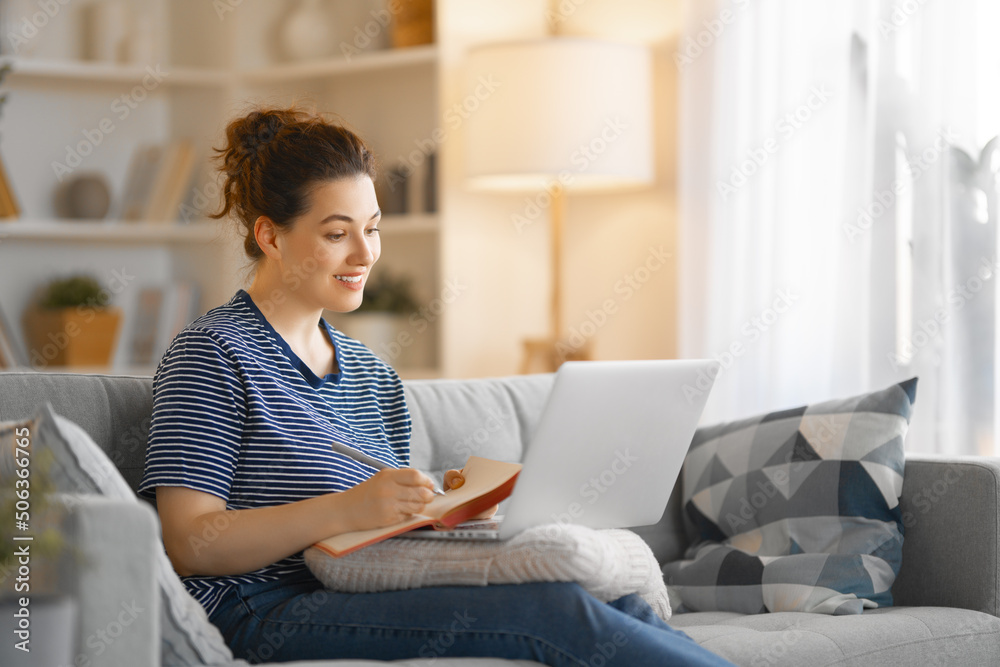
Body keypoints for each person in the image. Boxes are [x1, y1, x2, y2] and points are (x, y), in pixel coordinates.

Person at [138, 104, 734, 666]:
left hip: (357, 587)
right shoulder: (214, 354)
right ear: (270, 237)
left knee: (608, 599)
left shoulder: (370, 373)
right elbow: (191, 542)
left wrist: (437, 506)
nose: (364, 253)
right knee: (552, 609)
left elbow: (379, 535)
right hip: (260, 608)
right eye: (336, 233)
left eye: (372, 228)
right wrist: (344, 508)